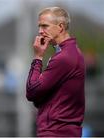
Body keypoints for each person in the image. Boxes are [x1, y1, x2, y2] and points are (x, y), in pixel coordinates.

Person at [26, 7, 85, 137]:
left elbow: (31, 92)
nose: (40, 31)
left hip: (56, 132)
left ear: (60, 27)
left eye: (45, 26)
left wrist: (38, 57)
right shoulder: (70, 53)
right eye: (39, 26)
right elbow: (38, 98)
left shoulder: (64, 58)